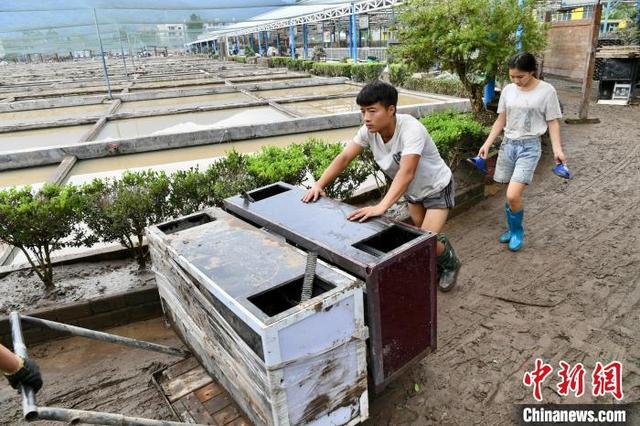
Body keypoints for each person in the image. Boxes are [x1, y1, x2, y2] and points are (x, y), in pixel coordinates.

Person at [302, 80, 461, 291]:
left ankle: (451, 264)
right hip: (412, 192)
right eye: (362, 111)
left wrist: (381, 206)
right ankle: (441, 257)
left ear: (391, 109)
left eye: (372, 111)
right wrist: (318, 184)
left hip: (437, 188)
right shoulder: (368, 132)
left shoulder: (411, 129)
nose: (366, 118)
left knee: (423, 241)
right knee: (426, 238)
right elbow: (345, 157)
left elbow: (407, 171)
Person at [478, 52, 566, 251]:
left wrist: (557, 150)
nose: (516, 81)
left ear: (532, 72)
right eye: (512, 76)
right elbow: (501, 120)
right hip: (508, 145)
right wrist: (487, 143)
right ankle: (512, 228)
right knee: (509, 193)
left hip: (529, 147)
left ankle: (518, 232)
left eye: (520, 76)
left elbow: (553, 122)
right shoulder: (509, 90)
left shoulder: (547, 91)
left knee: (512, 195)